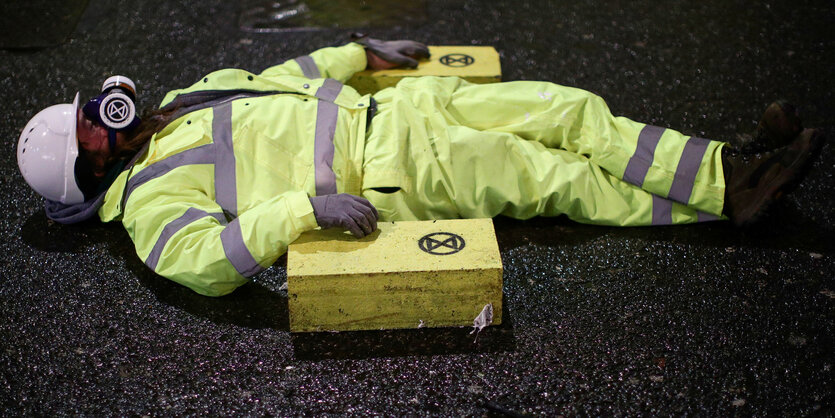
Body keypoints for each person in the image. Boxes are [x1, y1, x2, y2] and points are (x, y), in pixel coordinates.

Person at [16, 38, 824, 297]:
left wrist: (360, 51)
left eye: (96, 109)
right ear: (89, 179)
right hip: (394, 169)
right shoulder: (150, 207)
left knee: (571, 111)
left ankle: (727, 167)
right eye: (94, 133)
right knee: (563, 180)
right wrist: (303, 211)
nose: (110, 118)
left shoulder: (182, 97)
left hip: (408, 107)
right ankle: (733, 190)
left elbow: (288, 76)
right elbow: (206, 263)